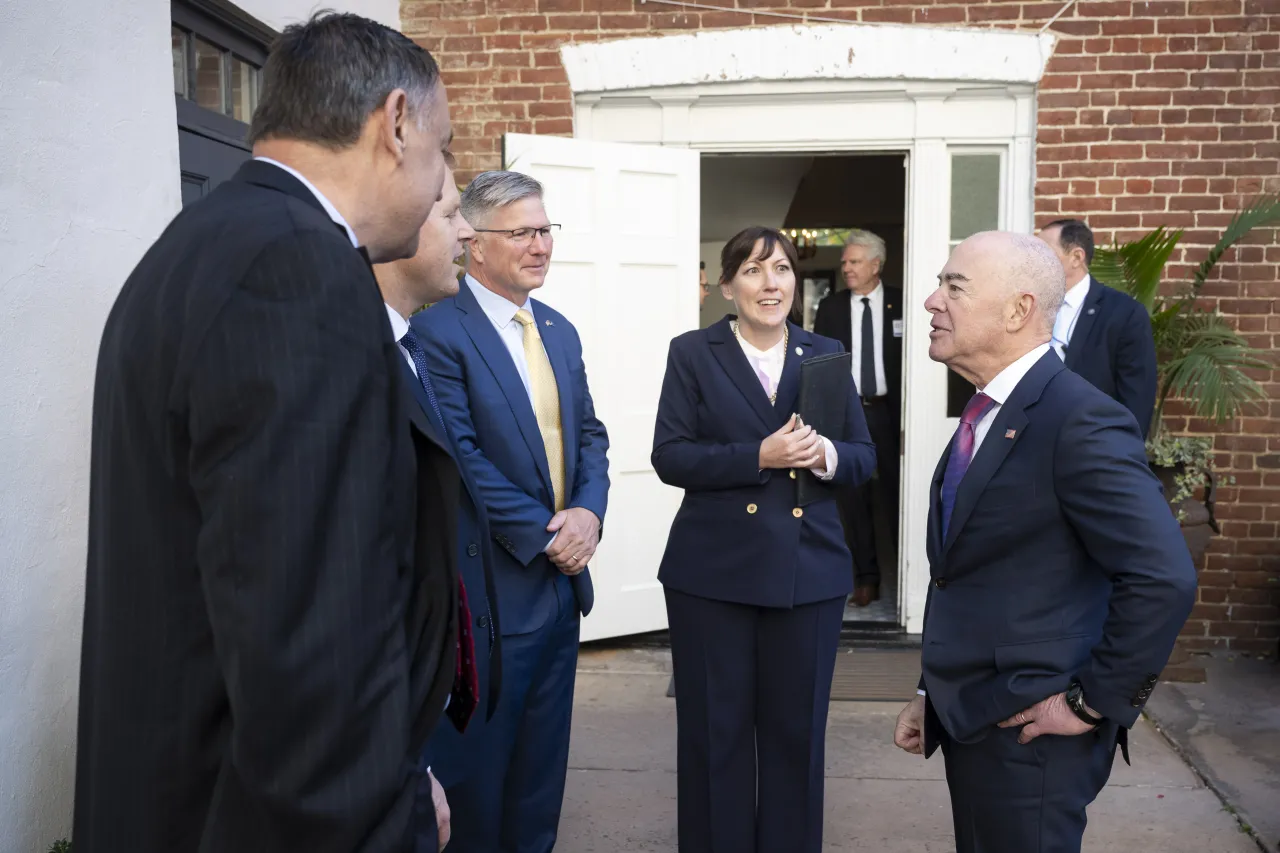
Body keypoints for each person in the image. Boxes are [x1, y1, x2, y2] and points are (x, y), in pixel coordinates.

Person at [74, 13, 457, 853]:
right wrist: (386, 813)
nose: (439, 190)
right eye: (441, 149)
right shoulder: (299, 270)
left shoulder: (197, 245)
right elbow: (311, 639)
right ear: (394, 123)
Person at [892, 231, 1196, 853]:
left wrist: (1091, 704)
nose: (930, 301)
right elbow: (968, 571)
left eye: (954, 286)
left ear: (1018, 310)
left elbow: (1163, 576)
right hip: (974, 716)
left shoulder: (1079, 418)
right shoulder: (986, 412)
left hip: (1033, 733)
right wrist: (934, 691)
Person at [652, 226, 877, 853]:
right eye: (752, 271)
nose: (769, 283)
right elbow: (671, 456)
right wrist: (761, 454)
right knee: (712, 733)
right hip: (711, 575)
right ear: (728, 286)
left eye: (780, 269)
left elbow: (862, 458)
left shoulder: (826, 353)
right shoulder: (694, 353)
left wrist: (824, 453)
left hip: (809, 573)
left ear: (794, 282)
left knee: (795, 736)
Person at [412, 170, 610, 853]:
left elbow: (590, 435)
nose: (541, 245)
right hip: (491, 597)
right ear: (474, 243)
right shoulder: (438, 332)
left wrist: (587, 514)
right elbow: (461, 457)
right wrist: (543, 534)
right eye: (523, 231)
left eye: (546, 229)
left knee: (540, 781)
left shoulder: (559, 330)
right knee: (481, 787)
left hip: (560, 593)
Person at [373, 163, 502, 851]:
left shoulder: (406, 345)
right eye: (451, 213)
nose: (464, 233)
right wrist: (405, 761)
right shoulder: (363, 359)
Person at [813, 229, 902, 607]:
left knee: (896, 493)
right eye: (844, 262)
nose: (845, 268)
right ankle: (866, 577)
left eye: (853, 261)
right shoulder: (831, 308)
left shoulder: (902, 303)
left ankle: (909, 573)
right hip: (848, 415)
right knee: (854, 497)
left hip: (890, 412)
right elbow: (817, 366)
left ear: (875, 265)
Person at [1037, 219, 1157, 437]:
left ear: (1076, 257)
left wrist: (1122, 456)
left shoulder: (1124, 313)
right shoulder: (1031, 306)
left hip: (1090, 445)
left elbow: (1138, 397)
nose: (1035, 260)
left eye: (1044, 252)